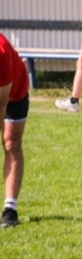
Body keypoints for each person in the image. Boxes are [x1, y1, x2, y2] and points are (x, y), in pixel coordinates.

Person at [0, 33, 28, 228]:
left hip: (13, 95)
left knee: (11, 143)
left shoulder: (1, 52)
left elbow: (1, 103)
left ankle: (10, 208)